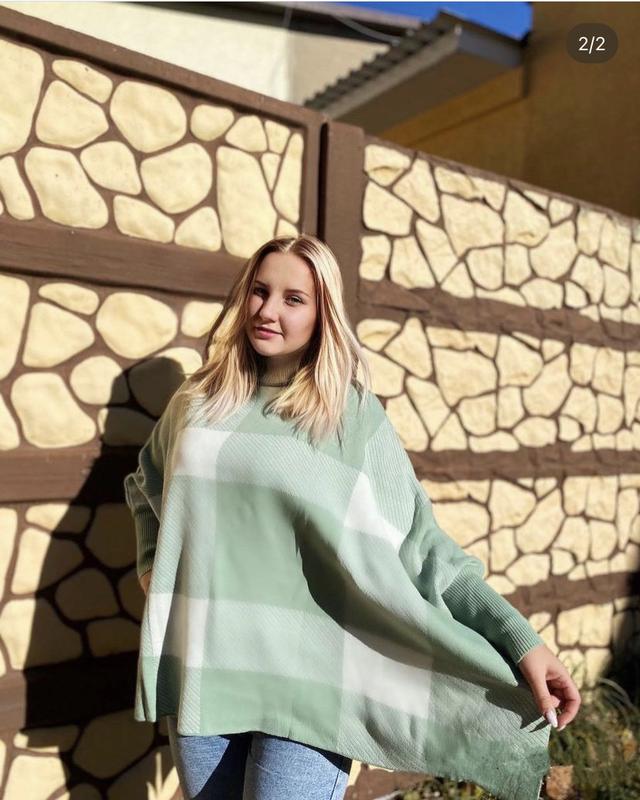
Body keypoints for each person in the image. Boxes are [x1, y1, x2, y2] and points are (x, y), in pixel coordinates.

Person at [124, 233, 581, 800]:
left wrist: (520, 640)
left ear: (323, 315)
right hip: (204, 669)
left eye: (294, 299)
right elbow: (145, 484)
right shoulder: (197, 403)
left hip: (314, 684)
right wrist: (153, 567)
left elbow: (424, 548)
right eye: (260, 291)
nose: (267, 310)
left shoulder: (349, 417)